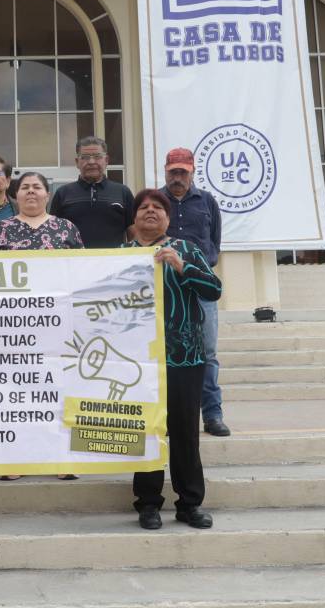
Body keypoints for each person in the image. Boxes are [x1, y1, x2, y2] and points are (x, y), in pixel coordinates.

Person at [122, 189, 222, 531]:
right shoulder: (119, 254)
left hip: (185, 358)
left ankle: (189, 504)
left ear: (167, 217)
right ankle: (148, 503)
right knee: (147, 431)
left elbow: (214, 289)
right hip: (138, 362)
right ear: (134, 217)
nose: (150, 211)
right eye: (144, 207)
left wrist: (182, 267)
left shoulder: (187, 249)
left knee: (184, 432)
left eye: (158, 207)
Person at [0, 170, 83, 481]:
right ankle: (16, 457)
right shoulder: (0, 230)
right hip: (13, 326)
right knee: (16, 392)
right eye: (25, 187)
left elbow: (84, 271)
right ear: (15, 195)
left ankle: (62, 458)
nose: (31, 192)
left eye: (37, 187)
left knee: (59, 389)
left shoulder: (66, 228)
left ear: (47, 194)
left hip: (57, 324)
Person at [160, 148, 229, 437]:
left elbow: (214, 241)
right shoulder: (156, 201)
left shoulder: (207, 201)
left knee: (208, 352)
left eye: (183, 172)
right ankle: (165, 416)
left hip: (200, 285)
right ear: (165, 171)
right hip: (165, 287)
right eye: (173, 172)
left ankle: (212, 415)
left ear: (192, 172)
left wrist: (196, 266)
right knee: (163, 352)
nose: (177, 177)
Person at [49, 135, 134, 248]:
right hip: (74, 258)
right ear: (77, 162)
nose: (91, 162)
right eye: (85, 157)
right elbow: (53, 233)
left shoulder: (123, 192)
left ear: (106, 160)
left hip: (114, 259)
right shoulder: (63, 193)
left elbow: (133, 234)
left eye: (97, 156)